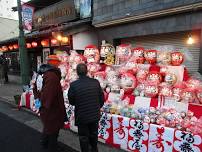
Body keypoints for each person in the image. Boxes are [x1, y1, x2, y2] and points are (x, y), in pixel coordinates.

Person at [33, 55, 67, 152]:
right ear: (54, 63)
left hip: (45, 106)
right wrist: (45, 105)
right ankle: (52, 147)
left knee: (48, 127)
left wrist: (38, 100)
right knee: (53, 129)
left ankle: (44, 143)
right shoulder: (52, 76)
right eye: (58, 62)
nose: (59, 64)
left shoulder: (41, 73)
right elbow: (49, 95)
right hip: (51, 108)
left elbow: (35, 88)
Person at [68, 63, 104, 152]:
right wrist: (96, 107)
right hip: (94, 115)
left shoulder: (73, 85)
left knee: (84, 138)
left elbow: (71, 101)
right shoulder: (95, 82)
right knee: (94, 136)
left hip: (82, 116)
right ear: (87, 71)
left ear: (77, 73)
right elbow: (101, 99)